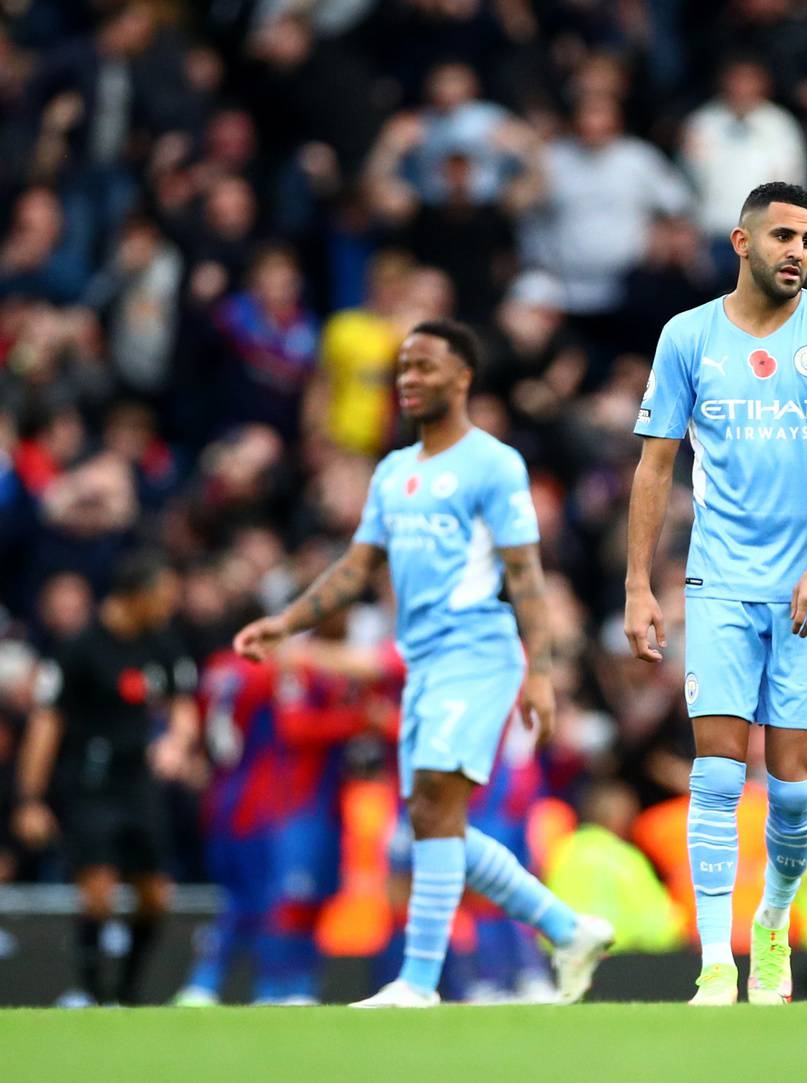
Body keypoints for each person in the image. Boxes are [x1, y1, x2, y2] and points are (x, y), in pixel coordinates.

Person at [231, 320, 613, 1008]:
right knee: (436, 826)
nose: (408, 379)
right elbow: (356, 569)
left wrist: (543, 671)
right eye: (402, 367)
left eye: (424, 366)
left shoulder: (494, 464)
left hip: (478, 650)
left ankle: (418, 982)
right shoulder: (393, 472)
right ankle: (567, 927)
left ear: (461, 377)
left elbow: (525, 572)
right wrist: (287, 622)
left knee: (435, 805)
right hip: (423, 660)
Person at [622, 181, 807, 1005]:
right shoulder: (688, 336)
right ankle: (714, 961)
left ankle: (772, 921)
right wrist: (637, 584)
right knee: (714, 776)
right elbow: (655, 466)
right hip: (722, 581)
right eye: (781, 236)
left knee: (797, 790)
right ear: (742, 243)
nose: (797, 251)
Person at [176, 617, 400, 1005]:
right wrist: (359, 721)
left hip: (268, 797)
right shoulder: (286, 667)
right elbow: (294, 727)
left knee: (277, 898)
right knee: (280, 900)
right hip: (285, 802)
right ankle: (271, 986)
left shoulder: (222, 669)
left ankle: (235, 984)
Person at [12, 552, 199, 1006]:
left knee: (155, 895)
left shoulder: (161, 644)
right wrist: (30, 798)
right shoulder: (80, 648)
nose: (167, 607)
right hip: (90, 782)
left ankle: (130, 991)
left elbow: (182, 704)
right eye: (161, 597)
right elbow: (46, 724)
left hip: (139, 781)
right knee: (97, 892)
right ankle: (96, 994)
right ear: (136, 596)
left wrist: (176, 742)